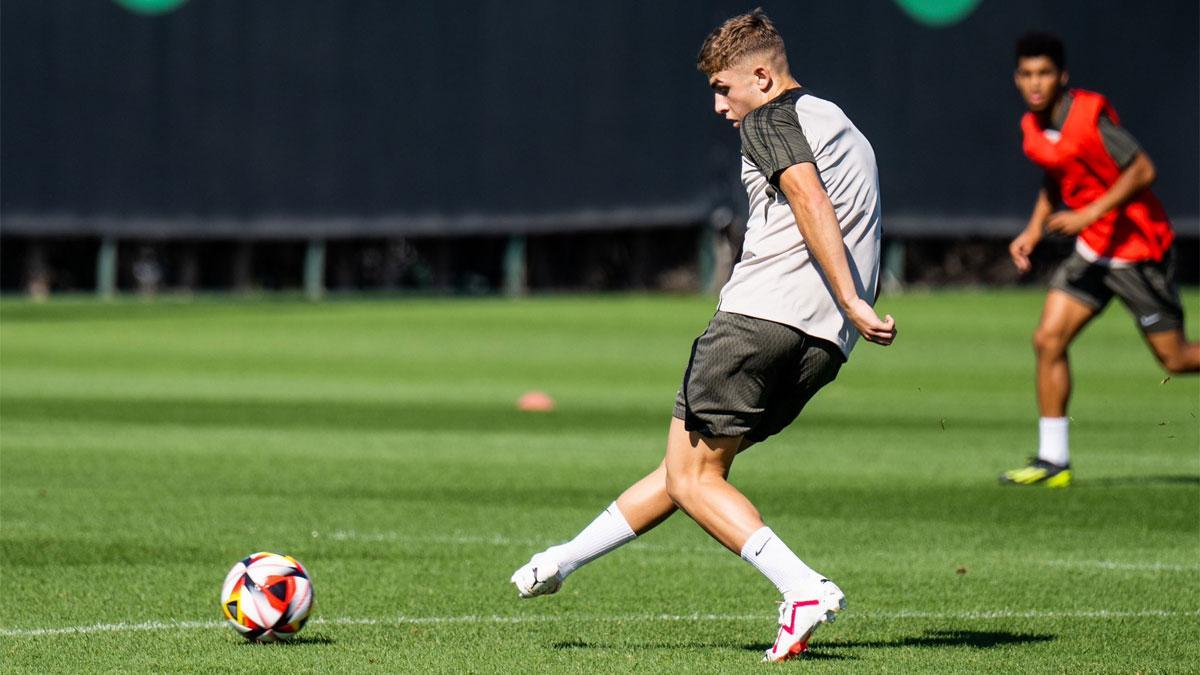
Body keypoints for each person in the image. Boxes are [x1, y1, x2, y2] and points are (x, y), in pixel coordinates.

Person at [509, 9, 896, 662]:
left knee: (693, 478)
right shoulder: (843, 124)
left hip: (758, 321)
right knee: (691, 472)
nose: (720, 105)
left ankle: (801, 586)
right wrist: (849, 307)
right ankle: (560, 561)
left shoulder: (770, 117)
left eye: (724, 88)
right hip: (821, 344)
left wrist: (853, 297)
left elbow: (806, 195)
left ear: (764, 75)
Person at [1002, 32, 1198, 488]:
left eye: (1045, 73)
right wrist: (1033, 230)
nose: (1036, 83)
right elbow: (1057, 180)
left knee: (1176, 360)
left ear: (1062, 76)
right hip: (1093, 251)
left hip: (1135, 251)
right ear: (1017, 78)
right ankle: (1054, 461)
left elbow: (1144, 169)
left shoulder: (1088, 116)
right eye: (1028, 74)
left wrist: (1089, 212)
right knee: (1048, 339)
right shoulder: (1033, 128)